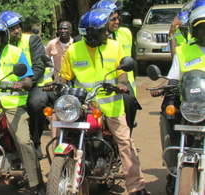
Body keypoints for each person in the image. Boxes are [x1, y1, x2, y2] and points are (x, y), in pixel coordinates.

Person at [60, 9, 150, 195]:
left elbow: (121, 72)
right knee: (61, 129)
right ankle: (61, 173)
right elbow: (65, 76)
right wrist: (57, 87)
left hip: (111, 105)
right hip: (84, 106)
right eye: (102, 30)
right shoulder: (73, 50)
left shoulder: (114, 46)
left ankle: (136, 185)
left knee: (125, 142)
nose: (107, 33)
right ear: (91, 33)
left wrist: (123, 84)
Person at [150, 5, 205, 194]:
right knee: (167, 113)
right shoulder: (183, 52)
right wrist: (160, 88)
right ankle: (174, 170)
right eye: (201, 27)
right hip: (189, 103)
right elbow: (173, 77)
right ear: (193, 29)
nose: (204, 30)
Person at [0, 18, 45, 195]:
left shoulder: (15, 52)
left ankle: (37, 182)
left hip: (13, 104)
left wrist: (21, 84)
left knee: (24, 141)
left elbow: (28, 79)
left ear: (3, 37)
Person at [0, 11, 54, 160]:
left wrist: (25, 83)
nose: (17, 31)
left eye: (18, 27)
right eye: (12, 28)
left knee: (37, 103)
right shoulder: (2, 44)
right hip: (8, 87)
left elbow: (38, 67)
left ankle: (35, 142)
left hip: (33, 84)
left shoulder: (32, 40)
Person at [91, 0, 141, 134]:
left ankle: (127, 135)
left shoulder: (126, 33)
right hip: (97, 82)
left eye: (118, 17)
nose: (117, 21)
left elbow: (133, 60)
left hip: (122, 81)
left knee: (129, 100)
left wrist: (127, 84)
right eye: (112, 18)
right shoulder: (88, 38)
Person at [45, 20, 73, 151]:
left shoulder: (76, 46)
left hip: (72, 85)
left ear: (70, 31)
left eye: (66, 29)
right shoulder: (52, 44)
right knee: (56, 113)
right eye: (61, 29)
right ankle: (56, 146)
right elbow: (44, 62)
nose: (63, 31)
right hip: (56, 85)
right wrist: (47, 80)